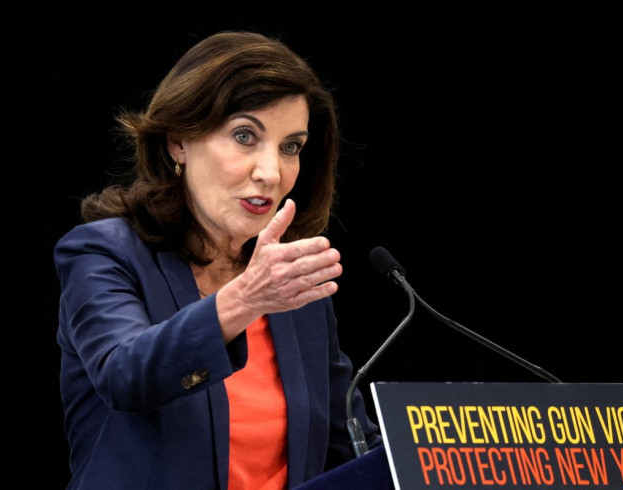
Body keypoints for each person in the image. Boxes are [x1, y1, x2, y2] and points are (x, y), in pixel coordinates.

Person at [54, 30, 382, 489]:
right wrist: (245, 299)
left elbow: (349, 449)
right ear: (178, 142)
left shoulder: (290, 286)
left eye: (291, 147)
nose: (271, 172)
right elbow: (124, 376)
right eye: (245, 136)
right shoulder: (103, 252)